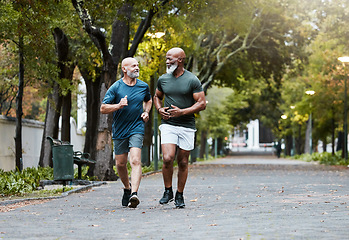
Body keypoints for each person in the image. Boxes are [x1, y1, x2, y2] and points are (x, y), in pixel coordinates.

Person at [154, 47, 206, 208]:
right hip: (169, 124)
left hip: (187, 126)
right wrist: (159, 108)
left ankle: (179, 194)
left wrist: (182, 112)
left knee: (183, 162)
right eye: (166, 58)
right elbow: (157, 96)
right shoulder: (163, 79)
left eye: (170, 59)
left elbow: (202, 103)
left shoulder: (192, 80)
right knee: (168, 158)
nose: (167, 61)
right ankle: (167, 190)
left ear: (180, 60)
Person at [100, 57, 152, 208]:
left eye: (137, 65)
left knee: (135, 160)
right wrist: (118, 105)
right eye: (134, 66)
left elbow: (148, 100)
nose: (137, 68)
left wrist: (146, 112)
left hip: (137, 127)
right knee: (120, 164)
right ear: (124, 69)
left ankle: (134, 194)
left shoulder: (143, 86)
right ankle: (127, 189)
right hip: (120, 129)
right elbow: (103, 108)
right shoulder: (116, 87)